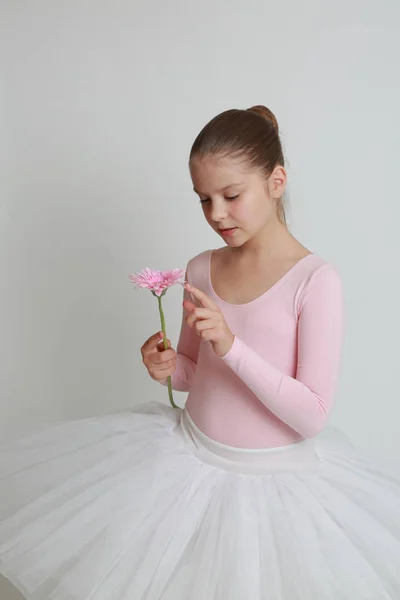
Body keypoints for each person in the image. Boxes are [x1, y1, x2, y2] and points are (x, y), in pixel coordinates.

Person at [1, 106, 399, 600]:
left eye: (231, 196)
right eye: (203, 199)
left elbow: (312, 415)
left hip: (273, 486)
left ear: (277, 181)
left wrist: (232, 347)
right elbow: (193, 372)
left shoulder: (315, 281)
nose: (215, 213)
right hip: (187, 463)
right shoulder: (201, 268)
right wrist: (167, 366)